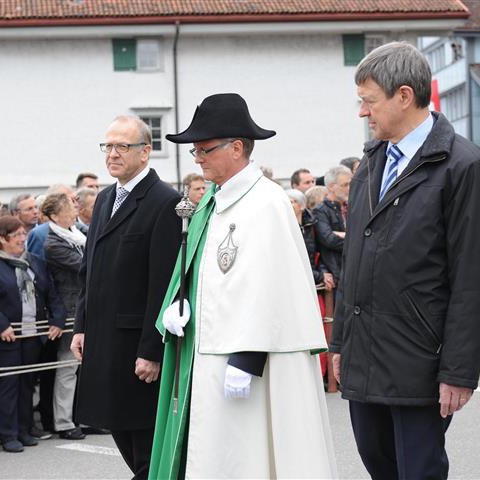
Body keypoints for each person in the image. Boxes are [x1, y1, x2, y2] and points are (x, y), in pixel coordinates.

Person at [149, 93, 337, 479]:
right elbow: (201, 266)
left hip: (248, 359)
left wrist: (249, 356)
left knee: (248, 452)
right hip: (208, 351)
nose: (198, 158)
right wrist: (180, 301)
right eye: (195, 151)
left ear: (237, 148)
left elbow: (276, 286)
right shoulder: (212, 201)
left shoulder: (267, 203)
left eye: (204, 149)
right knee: (218, 454)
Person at [331, 41, 480, 480]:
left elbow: (471, 276)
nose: (362, 112)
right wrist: (341, 342)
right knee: (378, 464)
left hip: (421, 362)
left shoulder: (461, 166)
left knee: (418, 471)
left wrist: (458, 370)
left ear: (403, 95)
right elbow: (355, 260)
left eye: (368, 100)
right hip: (365, 354)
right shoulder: (371, 163)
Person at [70, 115, 181, 479]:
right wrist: (80, 326)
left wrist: (152, 350)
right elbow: (90, 270)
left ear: (146, 152)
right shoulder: (104, 199)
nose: (112, 154)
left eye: (122, 146)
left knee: (147, 448)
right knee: (118, 431)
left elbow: (164, 284)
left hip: (135, 348)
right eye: (108, 146)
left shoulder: (164, 201)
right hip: (102, 341)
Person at [0, 216, 65, 453]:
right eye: (15, 235)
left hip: (32, 333)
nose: (21, 239)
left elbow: (52, 293)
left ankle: (24, 430)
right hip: (8, 336)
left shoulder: (34, 261)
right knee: (9, 385)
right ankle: (8, 434)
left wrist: (57, 321)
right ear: (2, 239)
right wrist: (2, 325)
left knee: (28, 383)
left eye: (22, 234)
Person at [42, 193, 86, 440]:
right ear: (55, 216)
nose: (74, 209)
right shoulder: (53, 243)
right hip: (70, 310)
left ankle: (83, 417)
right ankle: (63, 421)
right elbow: (83, 265)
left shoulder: (77, 232)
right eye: (69, 207)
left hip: (85, 306)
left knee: (82, 368)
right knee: (67, 367)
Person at [313, 165, 351, 290]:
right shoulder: (320, 211)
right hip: (335, 276)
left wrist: (344, 235)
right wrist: (354, 239)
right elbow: (329, 239)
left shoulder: (353, 207)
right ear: (331, 187)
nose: (349, 188)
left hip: (353, 270)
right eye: (345, 185)